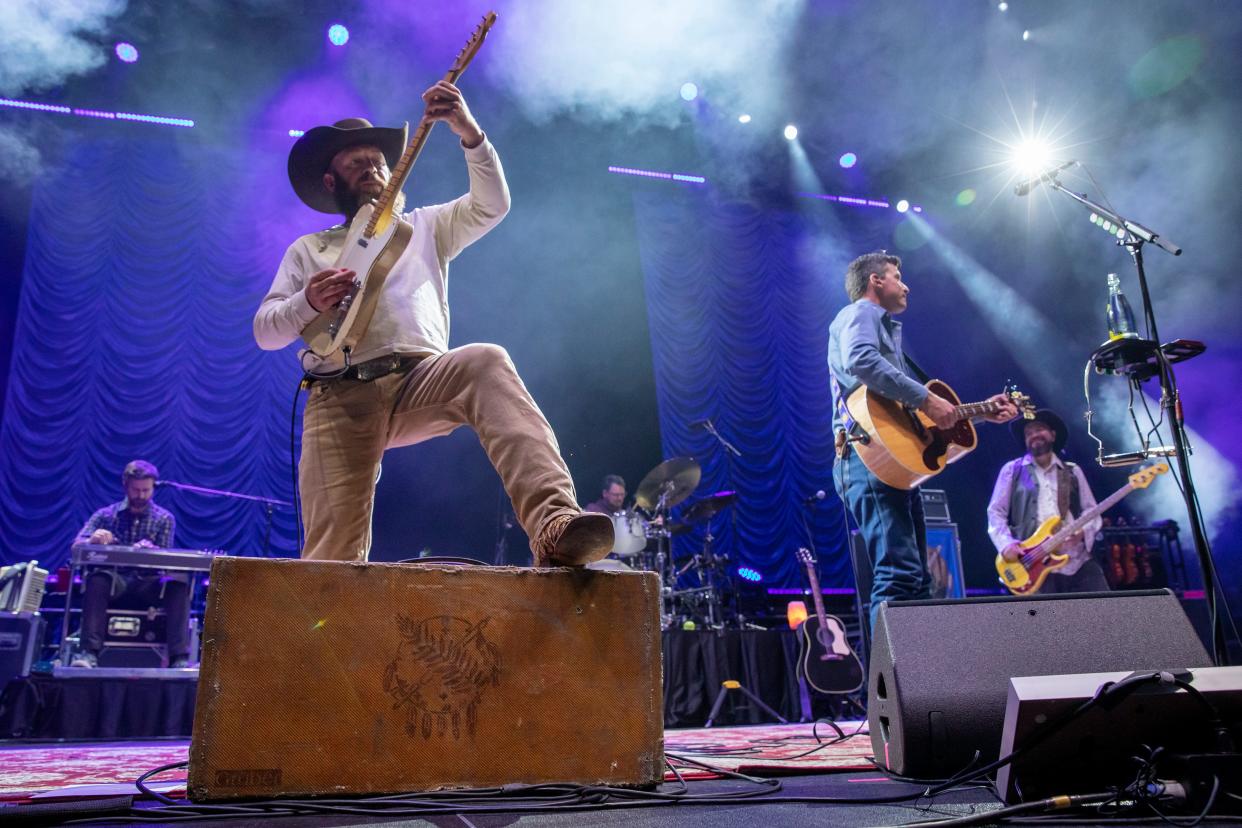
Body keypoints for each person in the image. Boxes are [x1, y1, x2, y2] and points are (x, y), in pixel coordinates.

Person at [253, 81, 612, 566]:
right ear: (332, 182)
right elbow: (266, 331)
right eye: (355, 163)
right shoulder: (308, 250)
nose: (372, 166)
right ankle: (329, 634)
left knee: (486, 360)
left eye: (377, 159)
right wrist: (306, 301)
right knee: (331, 560)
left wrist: (468, 131)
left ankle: (554, 525)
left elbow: (492, 206)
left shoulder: (424, 225)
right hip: (339, 395)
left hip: (420, 380)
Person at [828, 252, 1017, 630]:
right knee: (899, 577)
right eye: (897, 276)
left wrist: (980, 412)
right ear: (875, 282)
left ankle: (917, 682)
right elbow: (861, 360)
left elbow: (915, 413)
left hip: (890, 465)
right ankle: (890, 688)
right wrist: (928, 397)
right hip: (867, 460)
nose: (906, 284)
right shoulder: (861, 314)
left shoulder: (886, 333)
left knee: (917, 581)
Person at [71, 460, 191, 668]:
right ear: (126, 485)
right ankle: (88, 653)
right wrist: (91, 541)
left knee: (178, 584)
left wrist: (153, 553)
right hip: (115, 583)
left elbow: (165, 562)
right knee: (97, 579)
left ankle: (178, 658)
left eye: (146, 490)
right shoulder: (105, 515)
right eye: (136, 490)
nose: (141, 495)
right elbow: (76, 548)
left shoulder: (164, 518)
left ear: (154, 488)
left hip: (148, 584)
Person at [987, 409, 1107, 593]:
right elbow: (996, 512)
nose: (1034, 435)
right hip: (1034, 565)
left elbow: (1092, 511)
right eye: (1028, 433)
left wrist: (1082, 532)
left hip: (1078, 562)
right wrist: (1006, 544)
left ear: (1053, 434)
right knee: (1047, 620)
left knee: (1104, 614)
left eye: (1039, 429)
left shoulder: (1073, 471)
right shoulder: (1012, 470)